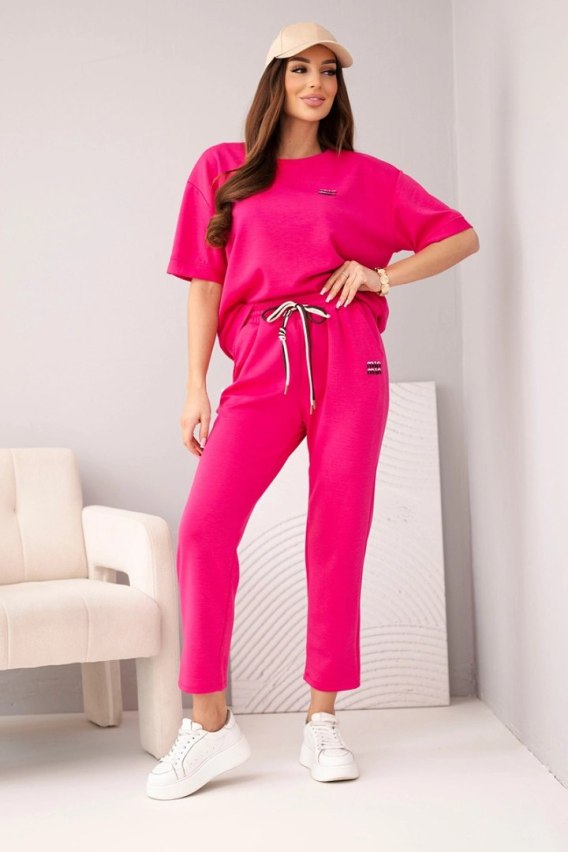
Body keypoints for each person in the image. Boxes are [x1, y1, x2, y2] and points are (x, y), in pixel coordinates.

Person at [146, 21, 479, 800]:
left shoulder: (364, 176)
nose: (316, 83)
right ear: (277, 80)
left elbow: (459, 237)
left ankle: (322, 720)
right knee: (203, 530)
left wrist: (381, 276)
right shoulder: (223, 168)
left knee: (337, 533)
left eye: (328, 71)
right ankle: (209, 724)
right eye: (300, 69)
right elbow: (204, 282)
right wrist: (195, 385)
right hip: (264, 363)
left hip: (350, 359)